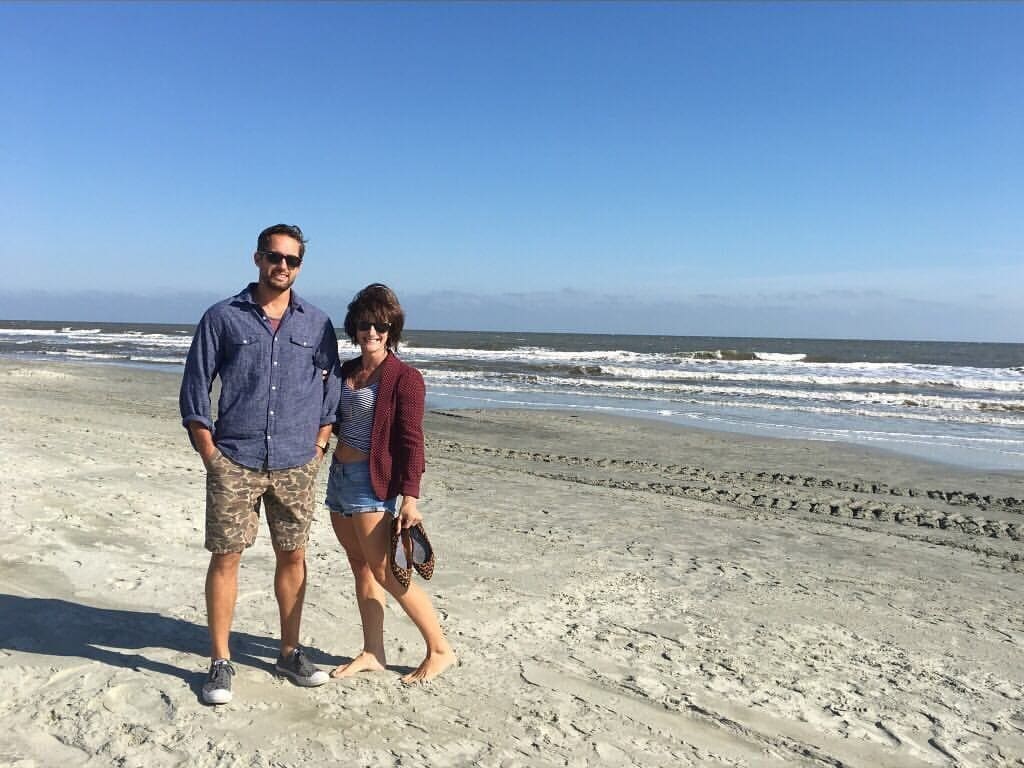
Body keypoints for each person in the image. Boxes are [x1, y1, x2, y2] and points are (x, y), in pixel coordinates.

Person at [179, 224, 341, 705]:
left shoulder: (317, 323)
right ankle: (221, 661)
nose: (282, 266)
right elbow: (194, 389)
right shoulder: (222, 317)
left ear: (300, 266)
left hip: (296, 462)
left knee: (293, 556)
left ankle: (289, 651)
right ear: (257, 258)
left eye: (292, 260)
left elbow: (329, 391)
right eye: (275, 256)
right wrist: (211, 453)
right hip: (236, 458)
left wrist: (318, 446)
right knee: (226, 558)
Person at [325, 283, 456, 683]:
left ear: (391, 328)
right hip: (339, 478)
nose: (372, 332)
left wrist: (410, 499)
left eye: (381, 325)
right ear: (355, 327)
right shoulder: (347, 370)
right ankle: (373, 651)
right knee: (360, 567)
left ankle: (440, 649)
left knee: (385, 572)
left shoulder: (405, 378)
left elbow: (412, 442)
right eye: (365, 324)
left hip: (372, 483)